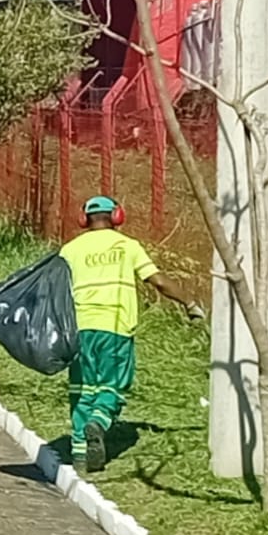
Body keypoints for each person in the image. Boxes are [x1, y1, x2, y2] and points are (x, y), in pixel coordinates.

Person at [58, 195, 204, 474]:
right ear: (117, 216)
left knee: (81, 389)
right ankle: (99, 422)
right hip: (115, 328)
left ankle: (79, 455)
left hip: (79, 329)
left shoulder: (70, 250)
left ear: (84, 219)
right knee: (112, 386)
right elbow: (158, 281)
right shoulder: (127, 247)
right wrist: (189, 303)